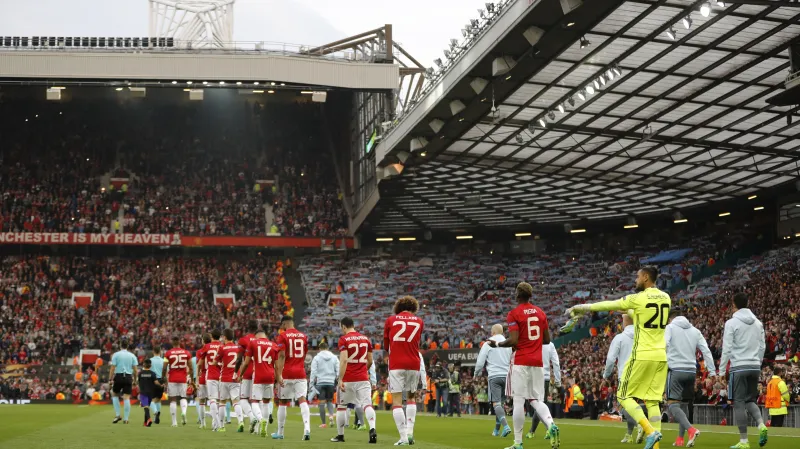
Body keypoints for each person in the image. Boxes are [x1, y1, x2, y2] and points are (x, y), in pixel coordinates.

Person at [567, 267, 669, 449]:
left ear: (646, 277)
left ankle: (650, 431)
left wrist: (583, 307)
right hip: (661, 356)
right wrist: (626, 311)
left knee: (623, 396)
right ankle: (656, 447)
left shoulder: (638, 298)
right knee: (653, 402)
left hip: (642, 354)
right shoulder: (666, 298)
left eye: (638, 277)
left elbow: (609, 304)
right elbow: (642, 315)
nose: (636, 280)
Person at [487, 282, 559, 449]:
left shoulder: (514, 314)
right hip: (537, 362)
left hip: (521, 361)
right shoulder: (540, 313)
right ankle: (551, 424)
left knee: (519, 401)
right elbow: (547, 340)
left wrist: (497, 344)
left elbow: (513, 340)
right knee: (536, 400)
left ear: (517, 295)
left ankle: (518, 443)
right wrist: (532, 343)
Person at [719, 293, 767, 449]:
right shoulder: (758, 323)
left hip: (739, 366)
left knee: (739, 403)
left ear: (734, 304)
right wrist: (758, 362)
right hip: (754, 366)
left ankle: (744, 441)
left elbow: (727, 348)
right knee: (750, 400)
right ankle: (761, 425)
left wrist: (721, 371)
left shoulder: (731, 323)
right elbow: (762, 346)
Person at [665, 311, 717, 447]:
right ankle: (680, 439)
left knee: (672, 404)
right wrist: (712, 371)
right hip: (691, 371)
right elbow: (706, 350)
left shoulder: (670, 328)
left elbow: (664, 345)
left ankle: (691, 430)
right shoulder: (695, 331)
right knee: (684, 405)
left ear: (671, 319)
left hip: (675, 369)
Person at [383, 295, 425, 445]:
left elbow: (386, 345)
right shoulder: (419, 321)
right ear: (414, 308)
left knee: (397, 401)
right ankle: (410, 432)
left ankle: (403, 437)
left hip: (396, 364)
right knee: (411, 397)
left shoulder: (390, 320)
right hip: (414, 363)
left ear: (398, 308)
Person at [331, 317, 377, 444]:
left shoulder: (343, 339)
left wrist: (340, 379)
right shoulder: (365, 339)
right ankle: (372, 429)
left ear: (344, 327)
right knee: (367, 404)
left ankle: (340, 435)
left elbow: (344, 360)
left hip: (348, 378)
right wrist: (363, 370)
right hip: (363, 378)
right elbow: (370, 361)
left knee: (342, 406)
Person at [602, 313, 642, 444]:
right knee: (632, 406)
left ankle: (641, 424)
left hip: (625, 376)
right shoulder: (642, 337)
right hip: (640, 376)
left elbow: (610, 359)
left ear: (625, 322)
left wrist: (606, 375)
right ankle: (629, 434)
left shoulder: (620, 338)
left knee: (624, 406)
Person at [273, 315, 311, 440]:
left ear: (284, 324)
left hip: (287, 372)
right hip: (300, 372)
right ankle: (307, 429)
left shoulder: (282, 336)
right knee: (302, 400)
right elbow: (304, 354)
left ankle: (280, 432)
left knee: (283, 402)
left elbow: (282, 356)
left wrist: (278, 374)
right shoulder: (303, 336)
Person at [239, 324, 280, 437]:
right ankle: (264, 430)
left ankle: (261, 419)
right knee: (266, 403)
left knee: (255, 401)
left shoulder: (253, 343)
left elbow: (246, 363)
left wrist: (240, 375)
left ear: (256, 336)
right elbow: (277, 366)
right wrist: (278, 378)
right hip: (270, 377)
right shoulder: (274, 345)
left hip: (258, 376)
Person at [474, 323, 512, 438]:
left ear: (493, 332)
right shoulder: (508, 343)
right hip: (507, 376)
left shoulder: (488, 343)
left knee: (496, 403)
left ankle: (506, 426)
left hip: (494, 376)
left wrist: (476, 373)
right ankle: (496, 430)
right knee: (500, 404)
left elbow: (480, 361)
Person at [530, 340, 561, 439]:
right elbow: (556, 363)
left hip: (534, 377)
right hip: (545, 378)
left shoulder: (532, 341)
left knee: (537, 404)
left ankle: (547, 427)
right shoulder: (550, 345)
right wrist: (558, 380)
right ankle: (536, 430)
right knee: (539, 404)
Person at [216, 328, 245, 433]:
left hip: (224, 378)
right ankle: (240, 421)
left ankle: (221, 426)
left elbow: (216, 361)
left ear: (225, 337)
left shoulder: (222, 348)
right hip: (235, 378)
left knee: (222, 402)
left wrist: (220, 363)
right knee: (236, 402)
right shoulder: (238, 348)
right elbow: (241, 362)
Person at [162, 336, 194, 428]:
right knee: (183, 397)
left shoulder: (168, 353)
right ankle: (183, 412)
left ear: (172, 342)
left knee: (173, 400)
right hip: (183, 379)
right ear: (179, 342)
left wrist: (163, 377)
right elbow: (191, 368)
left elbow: (164, 368)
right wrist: (191, 379)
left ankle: (174, 422)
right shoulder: (186, 353)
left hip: (172, 379)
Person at [309, 340, 339, 429]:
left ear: (319, 349)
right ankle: (331, 416)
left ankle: (323, 423)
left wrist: (311, 383)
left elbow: (313, 371)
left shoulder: (316, 358)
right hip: (330, 382)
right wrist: (338, 379)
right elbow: (338, 369)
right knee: (329, 401)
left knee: (321, 403)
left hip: (320, 382)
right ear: (328, 348)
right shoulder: (334, 357)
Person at [198, 329, 223, 431]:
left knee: (207, 400)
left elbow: (199, 364)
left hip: (209, 375)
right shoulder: (223, 346)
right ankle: (215, 423)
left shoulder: (204, 348)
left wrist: (197, 376)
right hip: (222, 375)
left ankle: (207, 423)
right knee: (219, 401)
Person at [237, 320, 259, 433]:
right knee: (256, 400)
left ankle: (252, 417)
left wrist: (237, 373)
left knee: (243, 399)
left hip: (246, 372)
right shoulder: (261, 340)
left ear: (247, 327)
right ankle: (256, 428)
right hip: (259, 372)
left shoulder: (243, 340)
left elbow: (239, 358)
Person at [109, 340, 138, 424]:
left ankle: (118, 415)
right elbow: (135, 370)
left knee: (114, 394)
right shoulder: (132, 355)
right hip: (128, 377)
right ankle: (126, 419)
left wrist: (110, 379)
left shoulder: (116, 354)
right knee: (126, 397)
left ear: (120, 345)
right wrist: (135, 380)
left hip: (118, 376)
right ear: (127, 346)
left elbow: (112, 368)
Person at [138, 359, 162, 427]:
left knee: (145, 407)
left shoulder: (140, 373)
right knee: (147, 407)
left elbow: (138, 382)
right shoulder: (152, 373)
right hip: (150, 393)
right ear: (150, 366)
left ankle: (149, 419)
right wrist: (161, 385)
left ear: (143, 365)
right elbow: (156, 382)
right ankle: (145, 422)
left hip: (143, 392)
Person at [195, 333, 211, 429]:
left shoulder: (199, 352)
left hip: (202, 377)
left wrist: (196, 379)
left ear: (203, 341)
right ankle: (215, 423)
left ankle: (203, 423)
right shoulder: (215, 349)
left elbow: (198, 365)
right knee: (214, 400)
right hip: (212, 377)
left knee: (201, 401)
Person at [150, 346, 165, 425]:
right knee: (158, 399)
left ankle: (156, 412)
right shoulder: (163, 361)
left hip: (152, 381)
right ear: (160, 351)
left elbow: (147, 371)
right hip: (161, 380)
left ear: (153, 351)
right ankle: (157, 417)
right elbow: (166, 372)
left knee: (150, 400)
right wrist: (165, 382)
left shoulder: (150, 361)